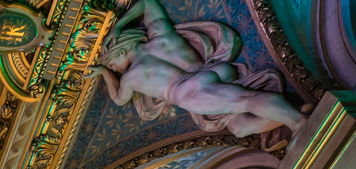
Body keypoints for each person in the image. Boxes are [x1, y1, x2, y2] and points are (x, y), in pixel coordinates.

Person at [91, 0, 308, 139]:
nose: (114, 69)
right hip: (213, 70)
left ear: (120, 50)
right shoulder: (160, 37)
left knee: (245, 100)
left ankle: (297, 122)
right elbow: (147, 4)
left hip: (186, 91)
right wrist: (119, 25)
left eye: (111, 63)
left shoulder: (130, 77)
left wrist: (104, 73)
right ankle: (299, 112)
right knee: (240, 128)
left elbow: (119, 99)